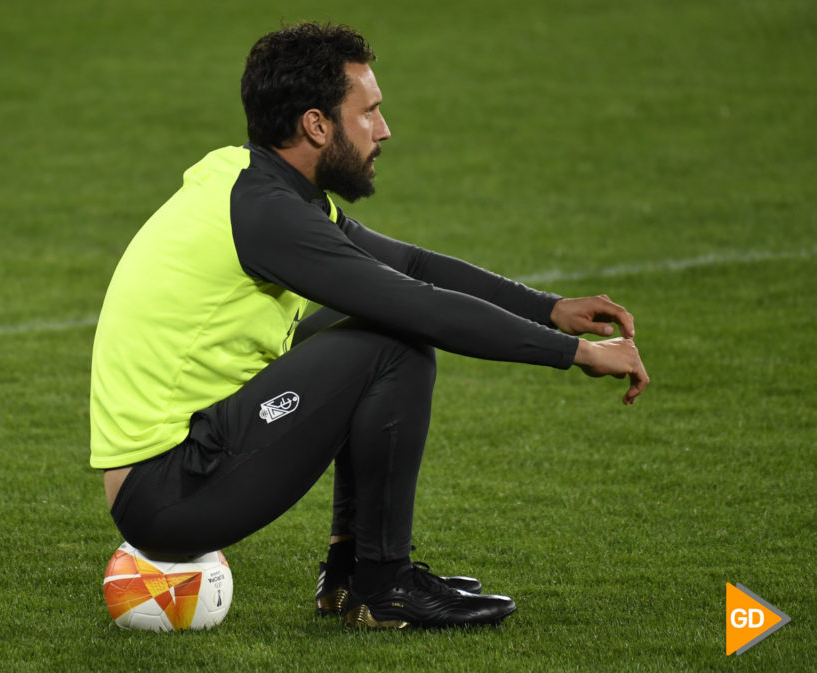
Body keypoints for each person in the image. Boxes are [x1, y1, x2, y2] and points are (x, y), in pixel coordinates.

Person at [89, 22, 649, 630]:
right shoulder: (269, 215)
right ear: (316, 125)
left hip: (172, 469)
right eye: (369, 112)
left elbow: (408, 263)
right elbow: (420, 303)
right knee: (393, 338)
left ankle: (350, 574)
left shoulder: (254, 183)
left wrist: (547, 306)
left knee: (374, 325)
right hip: (170, 492)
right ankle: (385, 585)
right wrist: (576, 353)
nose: (383, 131)